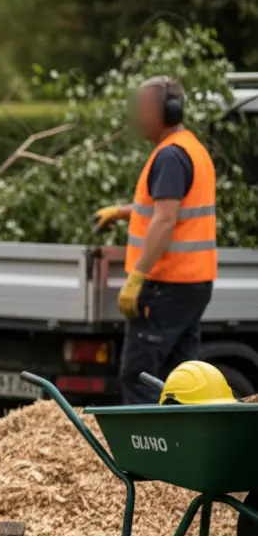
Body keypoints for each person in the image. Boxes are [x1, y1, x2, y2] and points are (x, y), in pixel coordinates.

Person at [93, 76, 217, 405]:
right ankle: (182, 451)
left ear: (169, 111)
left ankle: (147, 452)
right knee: (182, 379)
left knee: (138, 376)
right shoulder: (189, 148)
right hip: (192, 284)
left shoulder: (170, 156)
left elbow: (165, 219)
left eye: (143, 107)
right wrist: (122, 212)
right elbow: (163, 206)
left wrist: (137, 279)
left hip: (166, 285)